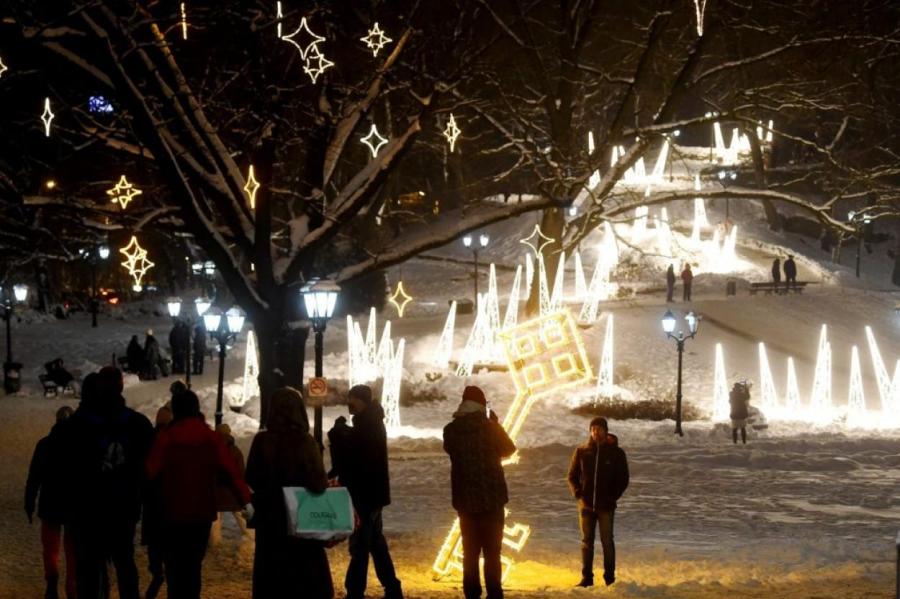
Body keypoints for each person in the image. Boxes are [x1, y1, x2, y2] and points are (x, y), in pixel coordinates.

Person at [146, 390, 251, 599]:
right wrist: (246, 499)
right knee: (193, 567)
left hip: (172, 512)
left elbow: (150, 471)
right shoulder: (210, 438)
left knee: (175, 568)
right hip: (201, 512)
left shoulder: (167, 438)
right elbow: (231, 471)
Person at [64, 367, 154, 599]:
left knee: (89, 570)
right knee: (125, 564)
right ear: (121, 386)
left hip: (88, 509)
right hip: (123, 506)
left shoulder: (77, 425)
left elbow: (68, 468)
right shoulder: (138, 424)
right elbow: (150, 469)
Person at [246, 387, 334, 599]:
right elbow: (318, 484)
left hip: (269, 520)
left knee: (272, 577)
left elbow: (251, 477)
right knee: (303, 578)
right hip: (300, 518)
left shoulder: (262, 441)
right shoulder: (305, 442)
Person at [331, 385, 404, 599]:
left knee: (361, 545)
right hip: (374, 494)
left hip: (365, 494)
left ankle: (355, 591)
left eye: (352, 399)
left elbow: (354, 458)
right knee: (375, 543)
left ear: (361, 400)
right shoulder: (370, 422)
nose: (349, 403)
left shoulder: (366, 425)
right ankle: (392, 587)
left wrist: (339, 437)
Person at [443, 386, 516, 599]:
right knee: (493, 553)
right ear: (482, 405)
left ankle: (472, 593)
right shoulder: (489, 428)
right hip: (492, 500)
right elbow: (509, 449)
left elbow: (450, 449)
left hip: (465, 502)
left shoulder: (451, 430)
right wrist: (495, 423)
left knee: (470, 553)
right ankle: (495, 593)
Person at [567, 417, 629, 588]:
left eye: (599, 429)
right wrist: (578, 493)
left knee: (607, 542)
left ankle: (609, 578)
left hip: (606, 507)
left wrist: (612, 497)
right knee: (586, 543)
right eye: (593, 429)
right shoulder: (582, 451)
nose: (596, 432)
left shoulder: (616, 453)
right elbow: (571, 476)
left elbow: (623, 479)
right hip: (585, 506)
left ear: (605, 430)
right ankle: (587, 578)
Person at [25, 406, 77, 599]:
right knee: (73, 551)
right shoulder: (79, 445)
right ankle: (72, 587)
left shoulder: (44, 445)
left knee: (50, 548)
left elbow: (34, 477)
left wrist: (29, 502)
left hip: (50, 504)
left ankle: (52, 581)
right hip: (73, 506)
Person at [141, 405, 173, 599]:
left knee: (154, 544)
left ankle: (157, 572)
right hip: (169, 500)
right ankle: (165, 575)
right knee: (168, 544)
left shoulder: (149, 440)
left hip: (153, 501)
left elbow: (145, 470)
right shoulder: (174, 440)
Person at [210, 423, 248, 545]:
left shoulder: (212, 449)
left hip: (216, 489)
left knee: (215, 516)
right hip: (232, 489)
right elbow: (241, 471)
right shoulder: (235, 451)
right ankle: (248, 534)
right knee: (237, 513)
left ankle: (214, 541)